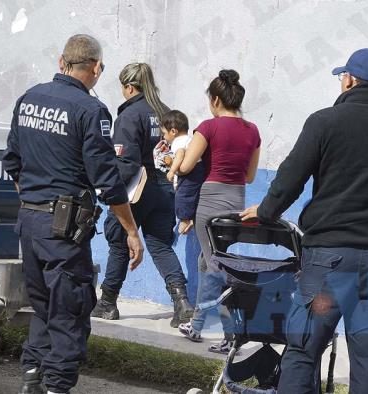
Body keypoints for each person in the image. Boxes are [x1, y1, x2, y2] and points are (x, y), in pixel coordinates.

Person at [241, 48, 368, 394]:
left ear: (351, 80)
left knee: (304, 348)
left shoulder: (323, 122)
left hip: (328, 260)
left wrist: (265, 212)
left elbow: (290, 177)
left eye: (343, 76)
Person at [2, 34, 144, 394]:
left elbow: (13, 164)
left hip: (30, 223)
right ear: (96, 68)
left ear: (61, 60)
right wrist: (130, 229)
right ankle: (56, 387)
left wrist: (34, 202)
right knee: (70, 310)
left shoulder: (29, 98)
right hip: (62, 229)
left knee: (44, 307)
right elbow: (107, 180)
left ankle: (32, 378)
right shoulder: (90, 111)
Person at [92, 63, 194, 328]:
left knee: (118, 240)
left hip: (136, 191)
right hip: (164, 189)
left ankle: (107, 303)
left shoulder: (130, 115)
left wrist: (109, 192)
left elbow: (125, 163)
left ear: (129, 87)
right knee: (160, 244)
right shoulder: (165, 112)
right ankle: (181, 301)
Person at [177, 69, 261, 354]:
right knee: (209, 261)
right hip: (236, 200)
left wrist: (176, 158)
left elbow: (187, 166)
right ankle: (197, 326)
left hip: (210, 200)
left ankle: (231, 335)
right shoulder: (253, 130)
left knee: (217, 268)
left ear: (215, 99)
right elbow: (250, 176)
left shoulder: (208, 127)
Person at [160, 110, 206, 235]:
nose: (164, 137)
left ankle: (185, 220)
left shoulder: (178, 141)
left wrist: (172, 171)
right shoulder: (189, 139)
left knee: (182, 195)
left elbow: (180, 155)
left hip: (191, 173)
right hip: (199, 170)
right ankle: (191, 218)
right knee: (192, 195)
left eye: (164, 133)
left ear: (173, 131)